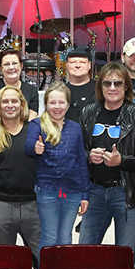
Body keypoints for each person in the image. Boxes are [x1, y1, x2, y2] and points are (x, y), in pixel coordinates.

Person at [79, 62, 135, 251]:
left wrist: (121, 161)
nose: (112, 88)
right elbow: (77, 154)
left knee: (125, 254)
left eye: (118, 83)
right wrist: (89, 156)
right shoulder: (88, 112)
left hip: (125, 192)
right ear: (100, 86)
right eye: (107, 83)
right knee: (84, 253)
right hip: (94, 191)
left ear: (126, 86)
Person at [0, 86, 40, 266]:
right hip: (1, 207)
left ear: (22, 105)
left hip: (33, 207)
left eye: (14, 101)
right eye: (5, 101)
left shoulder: (35, 131)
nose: (10, 105)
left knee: (44, 263)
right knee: (2, 264)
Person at [26, 81, 89, 251]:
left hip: (73, 191)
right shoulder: (37, 125)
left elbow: (81, 162)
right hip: (47, 190)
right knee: (50, 235)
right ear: (45, 104)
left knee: (65, 237)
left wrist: (85, 195)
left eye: (61, 102)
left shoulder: (75, 128)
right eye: (52, 102)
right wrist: (35, 147)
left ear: (68, 104)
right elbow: (28, 146)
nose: (57, 107)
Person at [0, 48, 40, 119]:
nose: (11, 67)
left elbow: (32, 119)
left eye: (15, 63)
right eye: (6, 64)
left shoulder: (31, 90)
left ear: (21, 66)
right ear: (0, 69)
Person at [64, 48, 96, 124]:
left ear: (89, 65)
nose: (78, 65)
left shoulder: (100, 89)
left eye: (82, 62)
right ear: (67, 65)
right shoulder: (60, 91)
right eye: (73, 62)